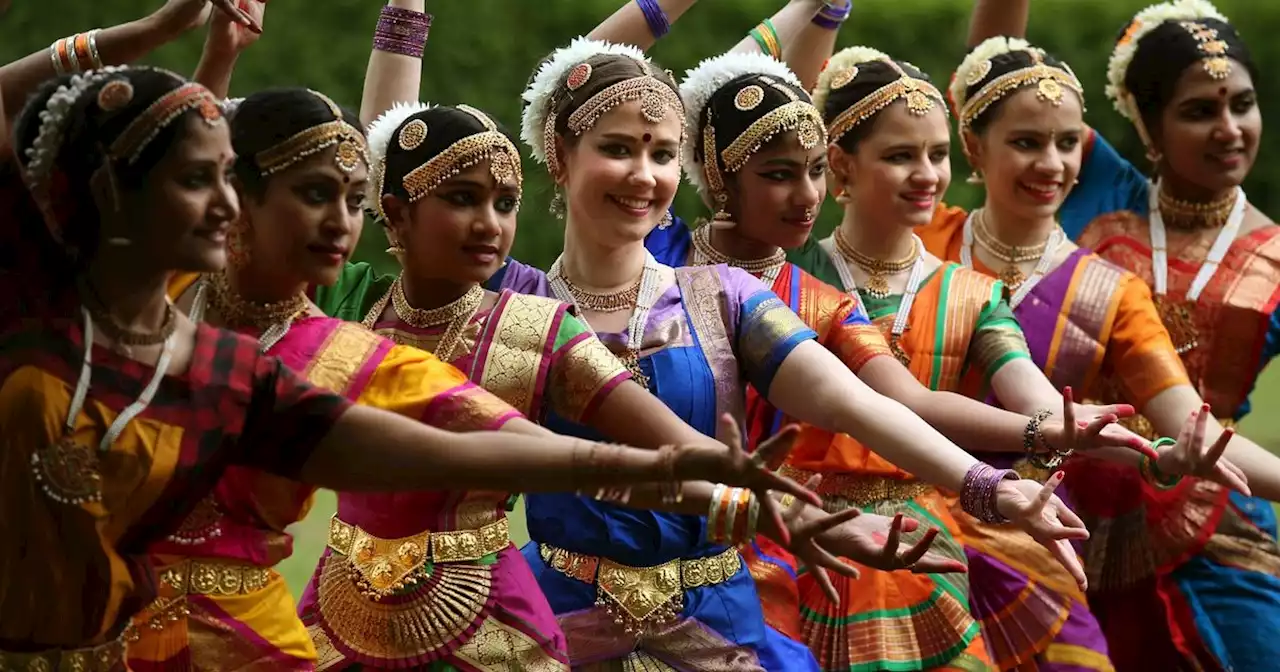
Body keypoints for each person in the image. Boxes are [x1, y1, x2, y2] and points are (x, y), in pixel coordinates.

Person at [0, 65, 805, 669]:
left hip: (266, 640)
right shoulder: (52, 313)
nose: (339, 224)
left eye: (351, 199)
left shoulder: (276, 371)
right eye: (317, 195)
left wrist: (694, 474)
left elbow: (480, 442)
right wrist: (145, 44)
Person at [490, 37, 1088, 669]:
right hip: (558, 623)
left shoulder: (722, 297)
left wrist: (989, 486)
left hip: (717, 624)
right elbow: (414, 174)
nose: (645, 175)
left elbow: (857, 404)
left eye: (662, 153)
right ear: (558, 153)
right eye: (617, 149)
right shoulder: (516, 301)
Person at [645, 50, 1163, 664]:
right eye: (782, 174)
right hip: (653, 519)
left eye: (812, 171)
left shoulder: (821, 300)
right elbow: (611, 96)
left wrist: (1041, 436)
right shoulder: (662, 251)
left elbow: (903, 398)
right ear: (718, 174)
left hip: (808, 531)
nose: (807, 194)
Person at [909, 32, 1255, 669]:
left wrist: (1175, 456)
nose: (1053, 164)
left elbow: (1183, 423)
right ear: (971, 148)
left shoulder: (1112, 293)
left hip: (1035, 535)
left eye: (1068, 143)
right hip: (908, 519)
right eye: (1026, 142)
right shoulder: (919, 238)